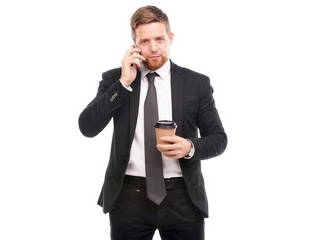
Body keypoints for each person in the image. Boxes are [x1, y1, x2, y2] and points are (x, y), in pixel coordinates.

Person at [78, 5, 227, 240]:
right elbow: (87, 127)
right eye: (145, 41)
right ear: (134, 44)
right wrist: (123, 83)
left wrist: (190, 147)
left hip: (183, 197)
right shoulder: (114, 79)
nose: (154, 48)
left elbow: (219, 138)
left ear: (171, 38)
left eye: (159, 39)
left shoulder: (196, 83)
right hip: (128, 198)